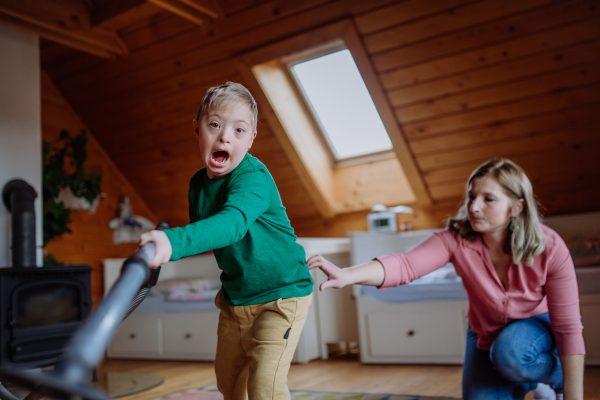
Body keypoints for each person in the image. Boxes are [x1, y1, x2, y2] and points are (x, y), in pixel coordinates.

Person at [307, 159, 585, 400]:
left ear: (517, 207)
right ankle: (530, 380)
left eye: (488, 199)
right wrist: (347, 275)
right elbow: (406, 265)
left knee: (512, 351)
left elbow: (568, 327)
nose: (474, 207)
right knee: (500, 363)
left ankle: (550, 378)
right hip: (486, 334)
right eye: (471, 196)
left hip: (536, 330)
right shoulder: (455, 239)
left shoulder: (549, 246)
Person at [140, 82, 313, 400]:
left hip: (281, 296)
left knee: (265, 388)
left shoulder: (253, 177)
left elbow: (232, 224)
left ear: (250, 140)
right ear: (197, 129)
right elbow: (207, 232)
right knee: (230, 386)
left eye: (239, 130)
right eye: (215, 125)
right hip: (235, 301)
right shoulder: (197, 185)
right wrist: (164, 249)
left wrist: (172, 241)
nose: (225, 137)